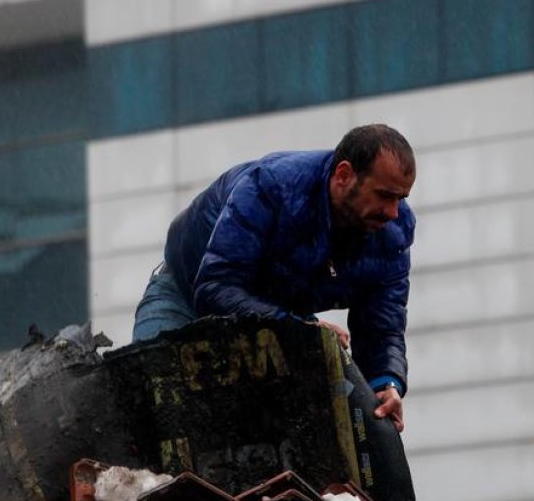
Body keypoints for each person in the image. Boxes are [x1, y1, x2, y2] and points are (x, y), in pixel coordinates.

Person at [132, 124, 417, 432]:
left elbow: (382, 326)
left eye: (400, 199)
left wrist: (386, 383)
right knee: (149, 405)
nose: (393, 212)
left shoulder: (394, 232)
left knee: (307, 432)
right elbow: (216, 286)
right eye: (385, 196)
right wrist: (298, 331)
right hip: (186, 298)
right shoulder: (272, 186)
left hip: (282, 319)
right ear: (344, 175)